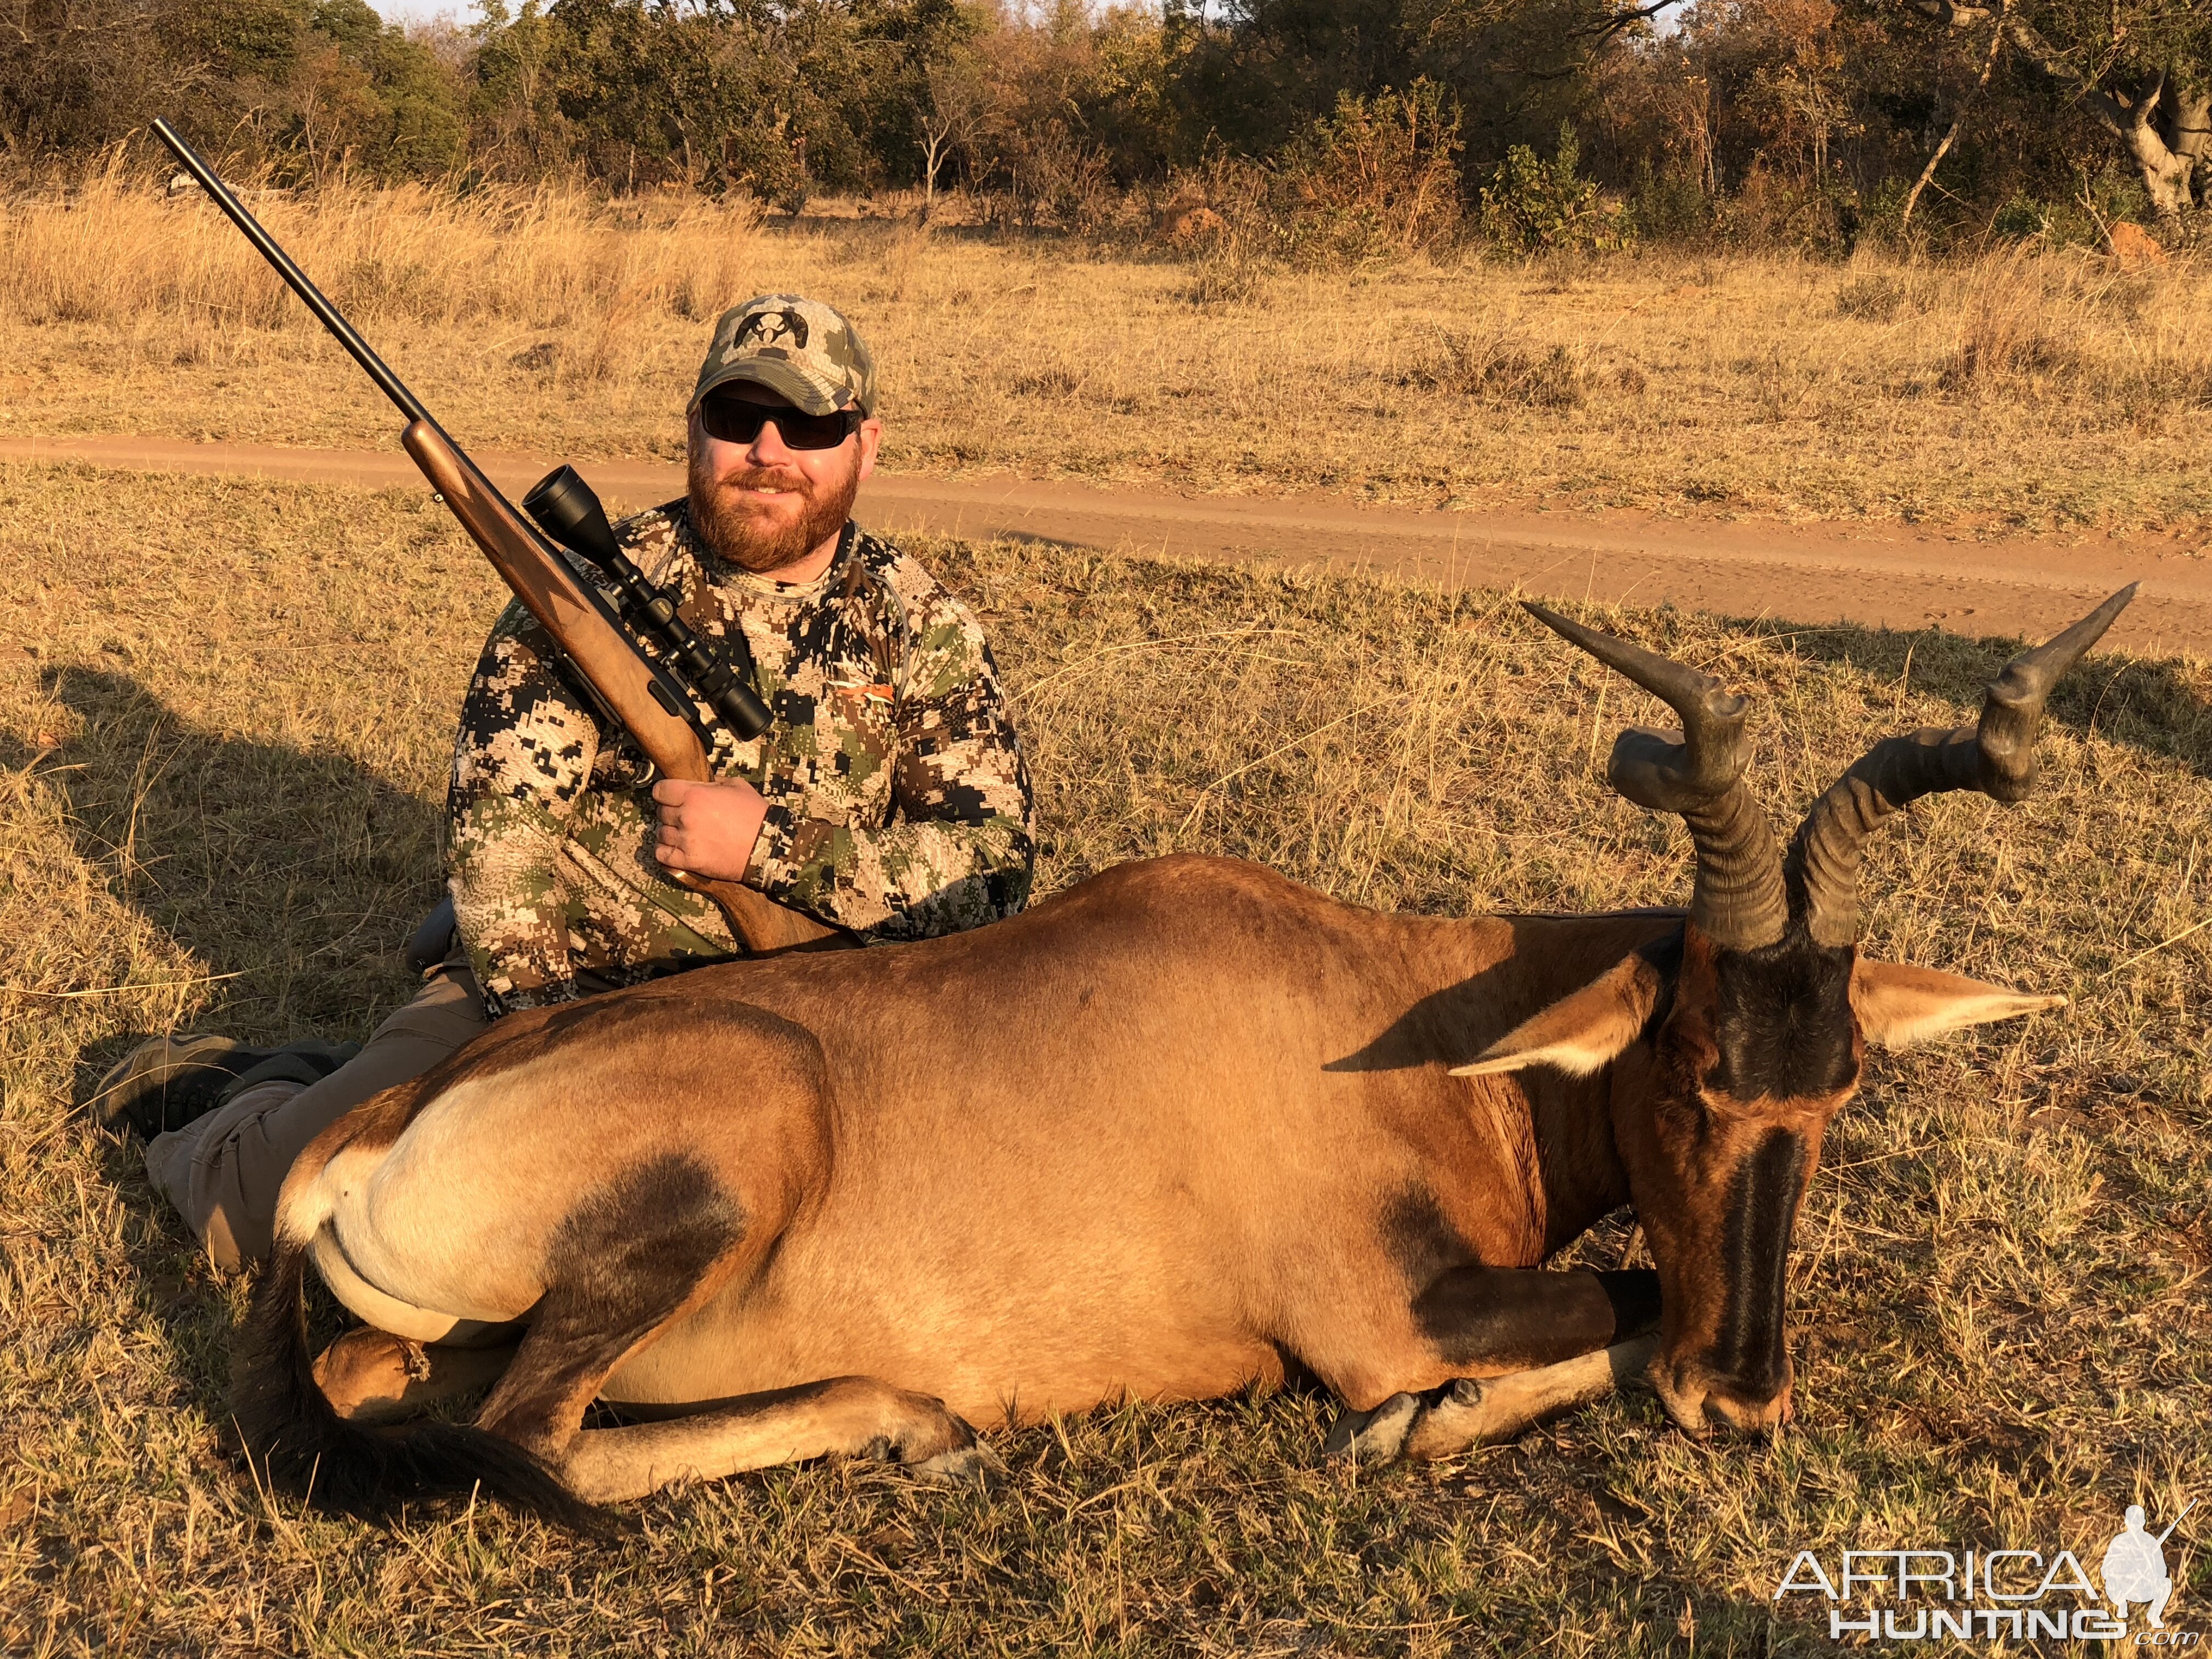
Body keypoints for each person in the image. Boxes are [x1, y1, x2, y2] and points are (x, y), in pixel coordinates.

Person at [99, 293, 1036, 1272]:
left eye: (807, 424)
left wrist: (766, 847)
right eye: (737, 418)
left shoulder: (919, 624)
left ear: (865, 443)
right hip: (558, 1002)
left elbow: (990, 875)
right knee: (270, 1222)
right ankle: (223, 1101)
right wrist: (558, 1063)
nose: (768, 449)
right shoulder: (585, 591)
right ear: (694, 430)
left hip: (823, 1021)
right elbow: (501, 859)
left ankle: (321, 1075)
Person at [2101, 1505, 2175, 1628]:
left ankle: (2154, 1615)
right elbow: (2106, 1569)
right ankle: (2121, 1606)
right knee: (2111, 1582)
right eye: (2133, 1522)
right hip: (2123, 1588)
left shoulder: (2150, 1542)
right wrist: (2123, 1572)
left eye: (2138, 1522)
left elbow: (2162, 1570)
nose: (2135, 1525)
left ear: (2144, 1522)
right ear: (2126, 1522)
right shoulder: (2119, 1541)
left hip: (2144, 1588)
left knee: (2166, 1584)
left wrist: (2150, 1570)